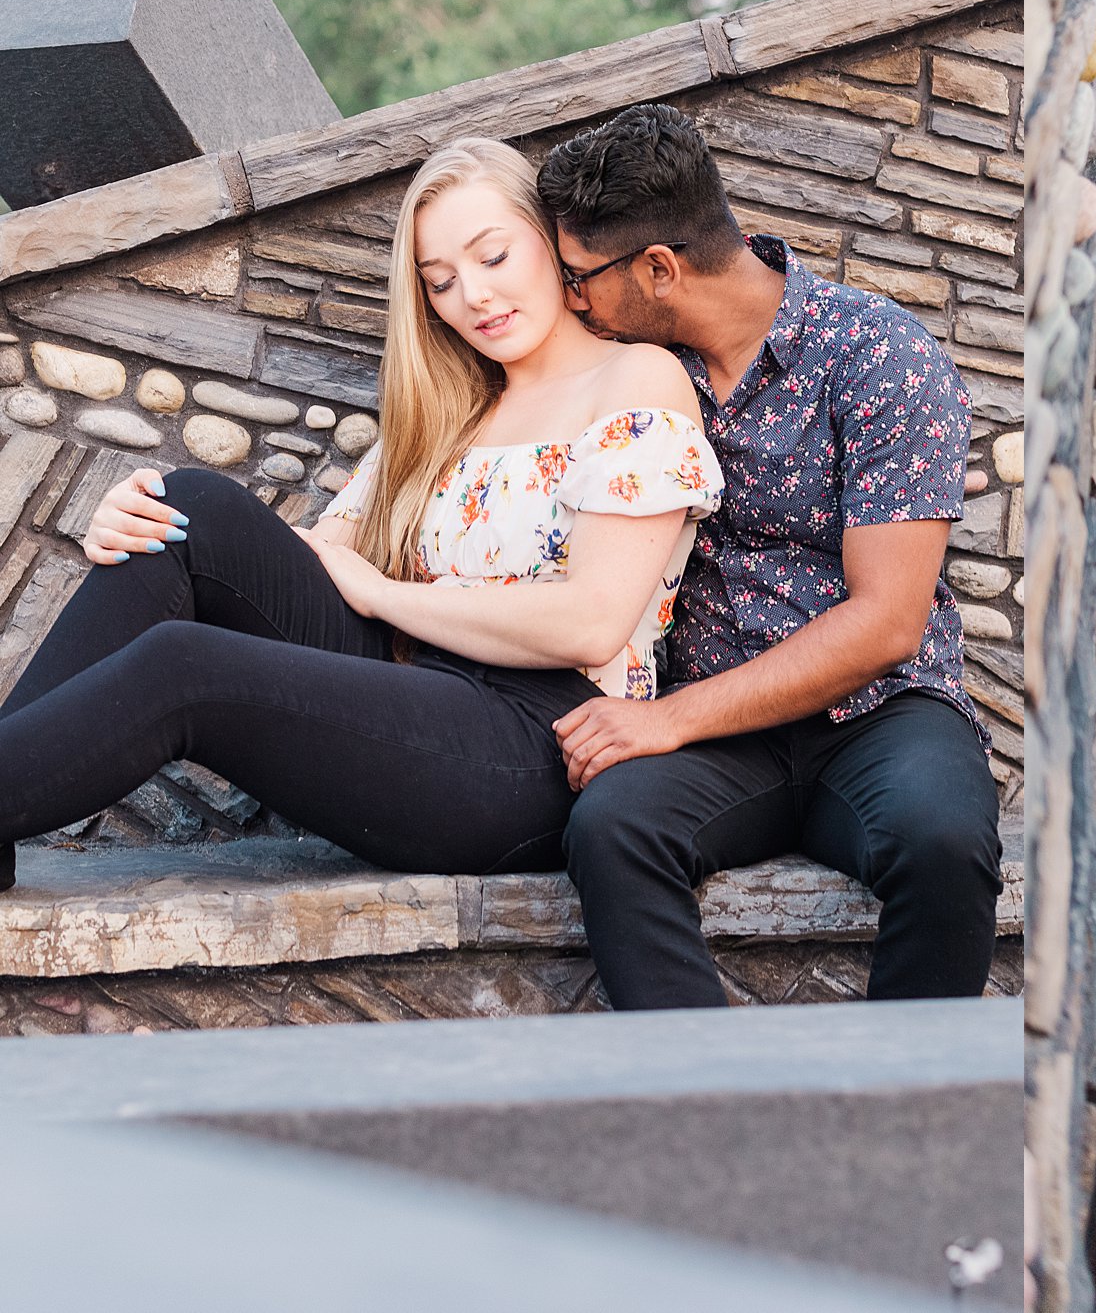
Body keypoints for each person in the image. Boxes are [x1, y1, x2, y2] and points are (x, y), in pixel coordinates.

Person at [0, 137, 720, 891]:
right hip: (419, 692)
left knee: (185, 664)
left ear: (551, 244)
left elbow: (591, 622)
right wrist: (132, 519)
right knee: (190, 508)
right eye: (440, 281)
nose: (472, 295)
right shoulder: (452, 409)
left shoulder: (636, 378)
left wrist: (385, 595)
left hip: (539, 744)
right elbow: (303, 562)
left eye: (494, 256)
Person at [528, 103, 1003, 1009]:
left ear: (658, 268)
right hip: (725, 743)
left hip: (880, 716)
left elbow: (888, 621)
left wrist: (665, 721)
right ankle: (726, 1118)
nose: (572, 298)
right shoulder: (628, 372)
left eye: (580, 276)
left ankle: (906, 1131)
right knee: (611, 829)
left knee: (943, 839)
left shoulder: (880, 356)